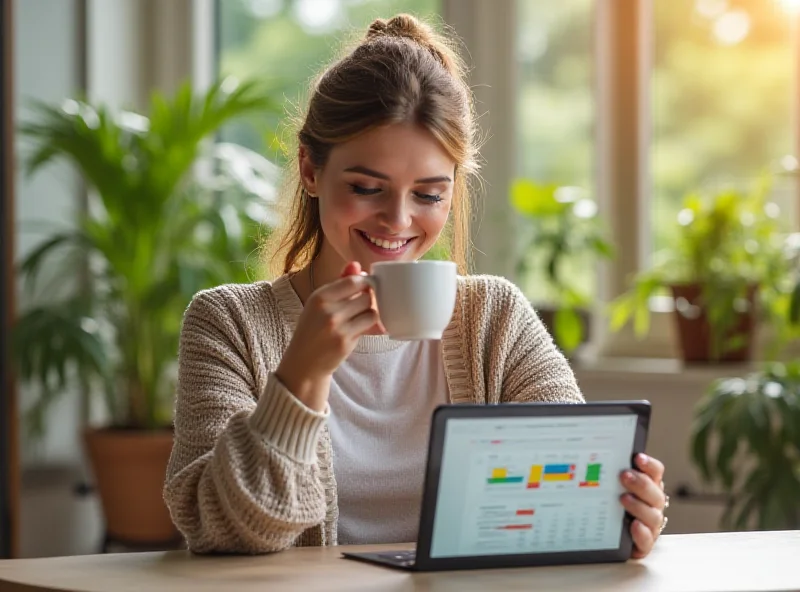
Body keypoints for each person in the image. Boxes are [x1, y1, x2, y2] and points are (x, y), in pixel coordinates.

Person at [163, 13, 668, 558]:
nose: (397, 221)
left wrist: (624, 509)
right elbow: (220, 532)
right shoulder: (228, 324)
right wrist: (300, 375)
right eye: (365, 187)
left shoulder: (493, 318)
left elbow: (569, 488)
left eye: (428, 195)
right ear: (310, 170)